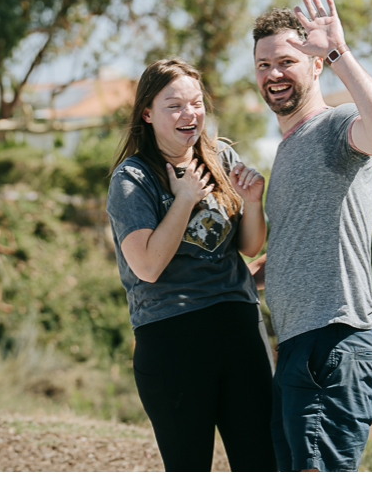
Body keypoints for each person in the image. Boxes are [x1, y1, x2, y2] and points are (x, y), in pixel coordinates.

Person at [249, 0, 372, 472]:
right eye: (264, 65)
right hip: (297, 344)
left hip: (334, 342)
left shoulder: (336, 126)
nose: (274, 74)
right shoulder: (287, 149)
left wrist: (340, 50)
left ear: (316, 65)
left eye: (286, 62)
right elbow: (293, 253)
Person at [106, 58, 277, 472]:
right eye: (175, 105)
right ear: (147, 113)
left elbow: (251, 248)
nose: (191, 114)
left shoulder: (222, 156)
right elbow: (146, 266)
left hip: (239, 327)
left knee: (263, 462)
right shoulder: (132, 180)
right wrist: (183, 199)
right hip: (172, 338)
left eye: (197, 103)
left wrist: (252, 202)